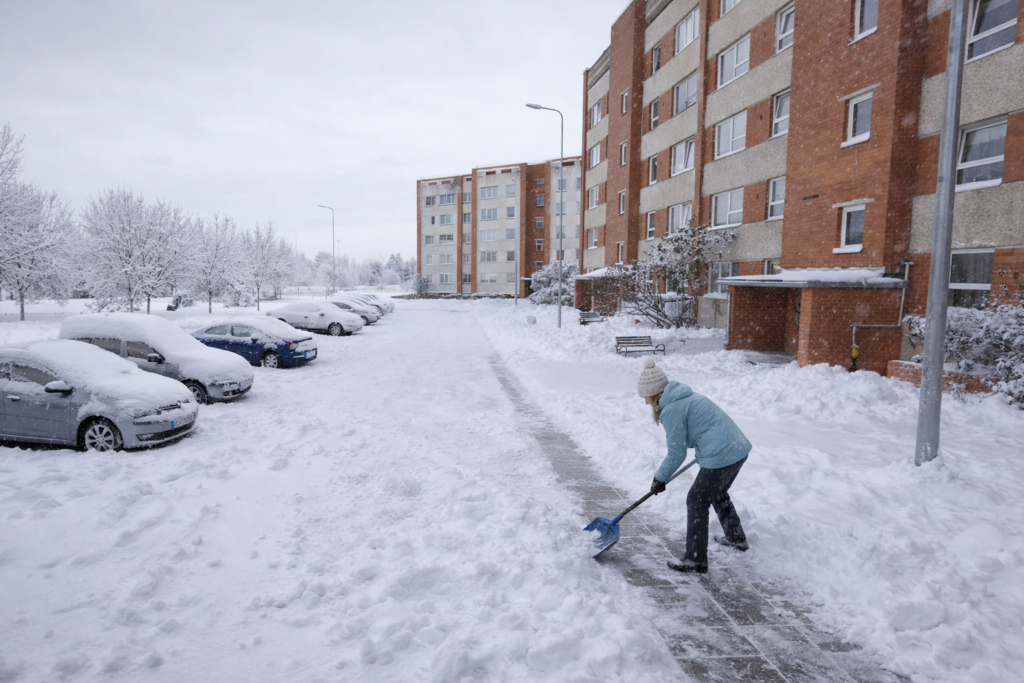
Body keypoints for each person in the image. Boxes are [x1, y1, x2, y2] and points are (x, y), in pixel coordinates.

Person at [637, 358, 751, 574]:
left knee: (696, 501)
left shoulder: (671, 409)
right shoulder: (685, 397)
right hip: (737, 449)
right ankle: (736, 539)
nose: (646, 403)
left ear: (654, 392)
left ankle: (695, 559)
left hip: (722, 453)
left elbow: (676, 453)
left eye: (646, 398)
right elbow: (706, 429)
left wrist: (659, 478)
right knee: (717, 493)